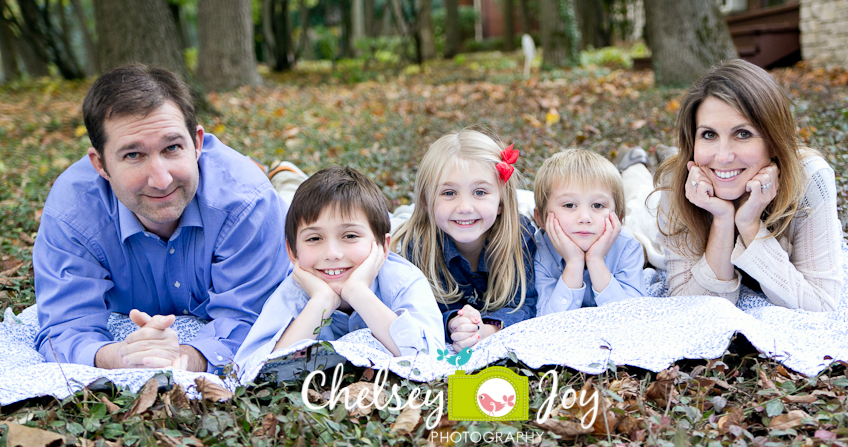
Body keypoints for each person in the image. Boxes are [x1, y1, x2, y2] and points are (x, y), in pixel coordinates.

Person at [33, 65, 294, 373]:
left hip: (266, 199)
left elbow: (253, 317)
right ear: (100, 164)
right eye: (133, 155)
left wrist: (184, 360)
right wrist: (118, 357)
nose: (160, 179)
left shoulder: (246, 201)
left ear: (197, 143)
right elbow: (65, 326)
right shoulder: (71, 213)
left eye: (172, 148)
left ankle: (285, 177)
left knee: (300, 205)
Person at [620, 59, 842, 311]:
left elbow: (822, 305)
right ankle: (632, 167)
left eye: (743, 134)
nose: (723, 155)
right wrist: (723, 219)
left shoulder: (811, 179)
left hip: (723, 176)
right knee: (639, 204)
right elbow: (688, 304)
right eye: (709, 134)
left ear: (773, 140)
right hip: (662, 205)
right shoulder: (679, 179)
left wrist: (749, 225)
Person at [234, 166, 445, 374]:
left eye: (350, 236)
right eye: (314, 238)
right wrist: (321, 302)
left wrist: (358, 293)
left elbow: (430, 361)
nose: (332, 253)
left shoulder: (404, 280)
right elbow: (255, 371)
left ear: (382, 246)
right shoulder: (293, 292)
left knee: (404, 220)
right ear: (293, 252)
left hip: (400, 235)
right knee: (289, 201)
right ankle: (287, 176)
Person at [391, 129, 537, 352]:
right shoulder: (418, 243)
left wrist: (488, 329)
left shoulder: (520, 234)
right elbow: (421, 309)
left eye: (479, 192)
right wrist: (453, 323)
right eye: (449, 193)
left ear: (501, 202)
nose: (465, 207)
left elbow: (523, 303)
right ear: (425, 201)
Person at [532, 149, 645, 316]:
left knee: (644, 199)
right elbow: (547, 321)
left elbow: (632, 318)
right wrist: (574, 262)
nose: (585, 218)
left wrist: (596, 260)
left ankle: (635, 167)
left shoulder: (628, 247)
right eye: (569, 205)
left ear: (619, 218)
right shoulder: (540, 250)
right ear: (540, 218)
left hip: (641, 226)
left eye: (598, 206)